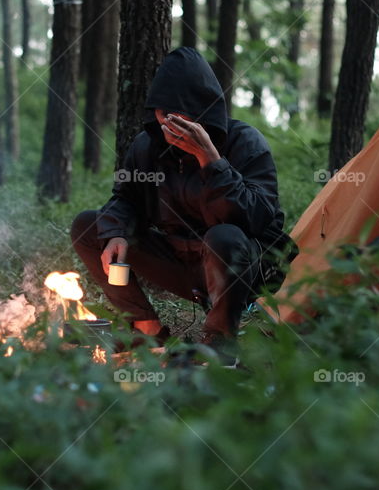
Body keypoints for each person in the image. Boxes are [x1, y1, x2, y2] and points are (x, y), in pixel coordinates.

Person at [70, 47, 295, 359]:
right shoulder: (148, 146)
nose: (170, 126)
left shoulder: (245, 143)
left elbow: (258, 218)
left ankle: (219, 342)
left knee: (223, 237)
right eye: (164, 116)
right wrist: (116, 231)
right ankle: (147, 330)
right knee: (89, 225)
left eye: (180, 118)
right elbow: (125, 198)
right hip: (181, 262)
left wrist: (211, 160)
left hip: (242, 266)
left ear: (205, 113)